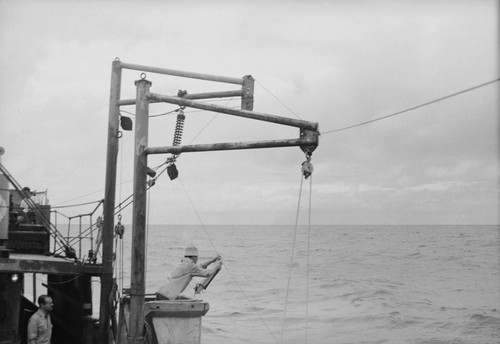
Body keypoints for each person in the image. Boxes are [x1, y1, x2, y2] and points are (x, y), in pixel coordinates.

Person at [156, 245, 222, 300]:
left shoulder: (185, 263)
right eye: (197, 257)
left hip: (160, 293)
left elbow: (200, 266)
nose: (197, 259)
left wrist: (213, 260)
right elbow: (207, 273)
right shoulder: (191, 266)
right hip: (167, 297)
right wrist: (217, 266)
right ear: (194, 257)